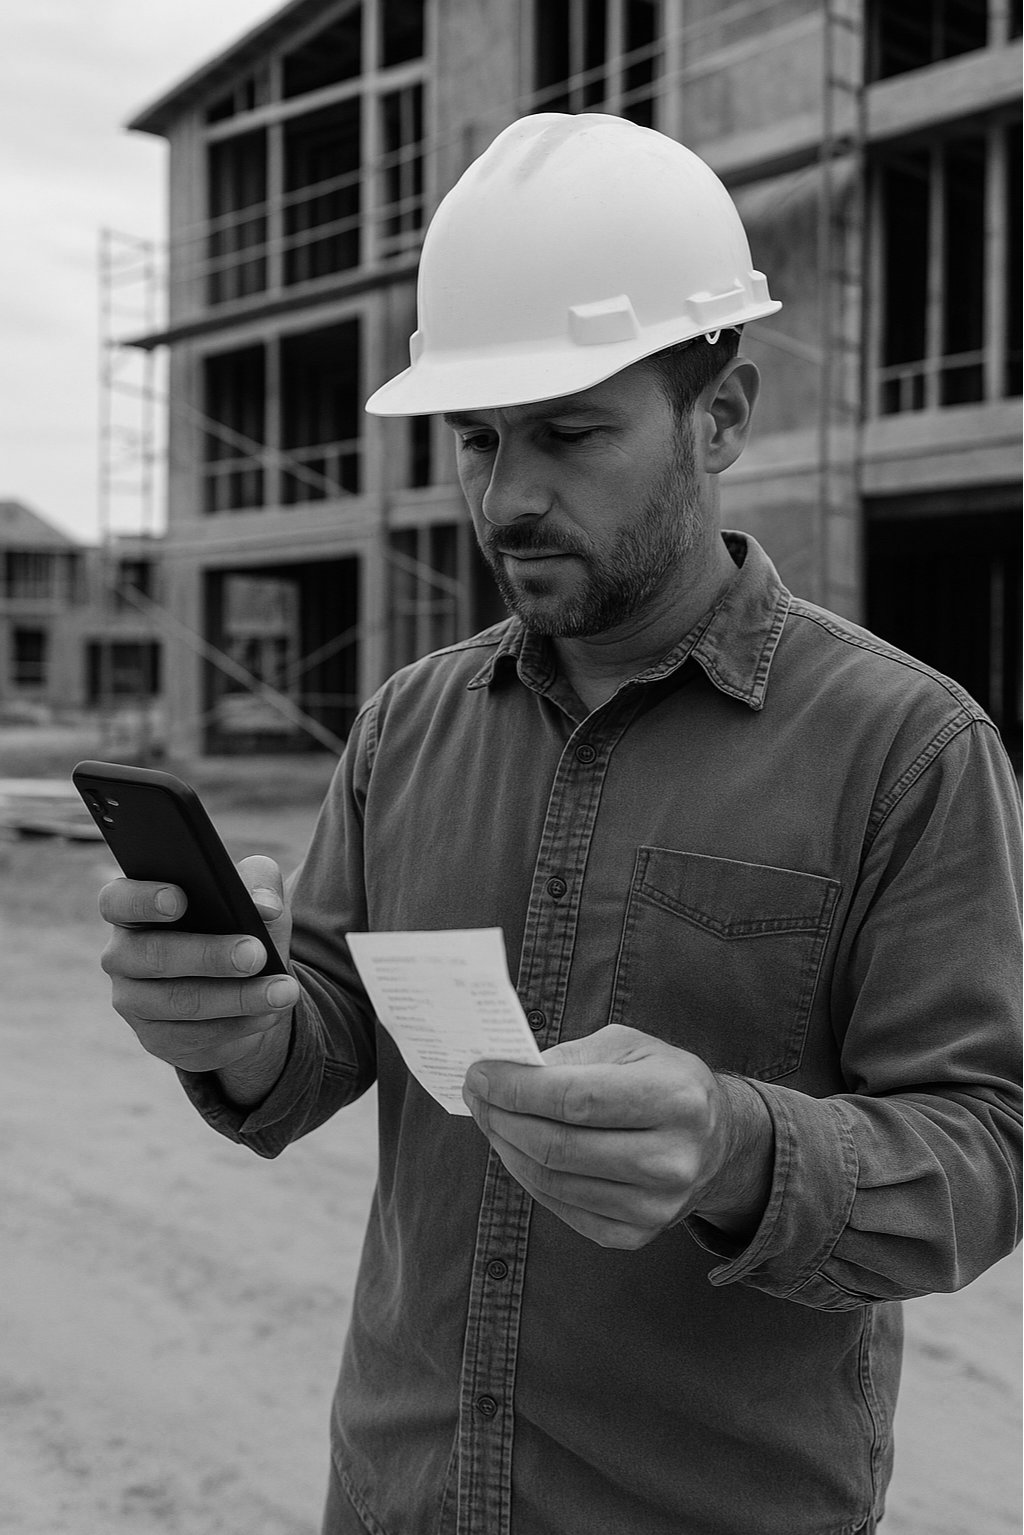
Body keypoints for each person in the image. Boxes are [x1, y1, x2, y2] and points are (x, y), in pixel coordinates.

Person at [97, 114, 1023, 1535]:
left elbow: (984, 1148)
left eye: (572, 433)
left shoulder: (906, 748)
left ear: (722, 416)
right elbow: (328, 1032)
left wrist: (733, 1142)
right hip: (396, 1497)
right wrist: (240, 1025)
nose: (507, 495)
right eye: (478, 437)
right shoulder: (409, 724)